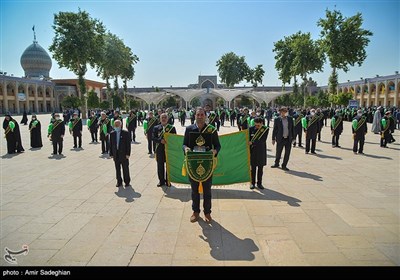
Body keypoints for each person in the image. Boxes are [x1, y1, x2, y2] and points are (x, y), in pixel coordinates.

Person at [183, 107, 221, 223]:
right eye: (198, 115)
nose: (199, 117)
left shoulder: (211, 130)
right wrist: (186, 149)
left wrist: (214, 151)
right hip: (192, 164)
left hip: (207, 164)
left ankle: (207, 212)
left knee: (207, 190)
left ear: (205, 116)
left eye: (201, 115)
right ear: (195, 116)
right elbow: (184, 144)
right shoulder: (189, 129)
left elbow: (218, 146)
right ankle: (195, 212)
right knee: (194, 190)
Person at [152, 113, 177, 187]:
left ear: (167, 119)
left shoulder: (172, 128)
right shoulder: (156, 128)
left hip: (168, 149)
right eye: (162, 117)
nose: (163, 119)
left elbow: (174, 138)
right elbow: (153, 138)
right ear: (160, 119)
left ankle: (168, 180)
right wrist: (160, 140)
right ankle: (161, 181)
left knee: (168, 165)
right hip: (159, 149)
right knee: (160, 165)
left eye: (165, 117)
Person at [109, 120, 131, 187]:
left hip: (124, 154)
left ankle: (127, 181)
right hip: (116, 154)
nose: (116, 126)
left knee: (125, 168)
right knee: (117, 169)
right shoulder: (112, 133)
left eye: (117, 125)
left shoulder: (125, 133)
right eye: (115, 125)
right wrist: (111, 154)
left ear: (121, 125)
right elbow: (110, 144)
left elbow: (128, 144)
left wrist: (128, 154)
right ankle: (119, 181)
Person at [249, 117, 269, 190]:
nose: (256, 127)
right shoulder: (251, 129)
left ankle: (259, 183)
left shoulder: (265, 129)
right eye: (255, 125)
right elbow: (248, 138)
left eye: (258, 125)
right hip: (253, 151)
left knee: (260, 168)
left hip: (261, 151)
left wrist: (252, 142)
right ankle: (252, 183)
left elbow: (263, 140)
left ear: (261, 123)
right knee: (253, 168)